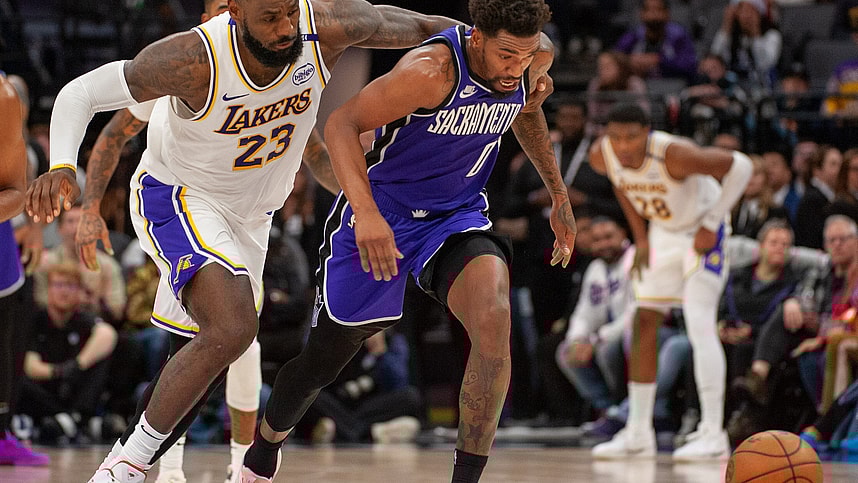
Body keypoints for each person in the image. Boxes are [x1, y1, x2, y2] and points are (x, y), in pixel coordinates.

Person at [25, 1, 465, 481]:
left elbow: (425, 27)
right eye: (269, 18)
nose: (284, 29)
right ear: (234, 12)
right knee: (232, 328)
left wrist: (498, 54)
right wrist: (63, 166)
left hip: (254, 217)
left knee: (221, 345)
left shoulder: (325, 29)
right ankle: (127, 467)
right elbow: (81, 92)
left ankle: (183, 461)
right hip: (178, 195)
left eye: (289, 14)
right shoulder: (193, 58)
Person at [241, 1, 574, 482]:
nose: (515, 68)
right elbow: (340, 126)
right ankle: (265, 445)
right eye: (506, 56)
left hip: (455, 217)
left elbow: (524, 111)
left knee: (494, 316)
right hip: (384, 212)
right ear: (476, 37)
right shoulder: (430, 70)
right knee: (327, 358)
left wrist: (558, 194)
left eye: (524, 58)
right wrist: (368, 216)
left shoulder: (531, 58)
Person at [588, 103, 753, 460]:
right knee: (644, 319)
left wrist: (713, 222)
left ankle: (713, 433)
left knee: (699, 321)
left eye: (632, 137)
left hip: (702, 230)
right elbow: (622, 186)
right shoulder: (602, 155)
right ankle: (638, 431)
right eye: (615, 137)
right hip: (664, 232)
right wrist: (642, 239)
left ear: (647, 132)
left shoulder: (675, 154)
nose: (624, 145)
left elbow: (742, 166)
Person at [0, 72, 49, 466]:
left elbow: (25, 186)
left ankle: (3, 430)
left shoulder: (4, 99)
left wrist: (33, 231)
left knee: (10, 340)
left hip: (7, 237)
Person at [19, 262, 118, 443]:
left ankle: (74, 418)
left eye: (70, 286)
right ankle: (73, 419)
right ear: (48, 289)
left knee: (106, 355)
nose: (64, 292)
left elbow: (107, 334)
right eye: (58, 285)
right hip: (45, 388)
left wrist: (78, 365)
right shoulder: (36, 320)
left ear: (79, 292)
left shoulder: (81, 319)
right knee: (19, 377)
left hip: (75, 385)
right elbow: (31, 367)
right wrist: (60, 371)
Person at [613, 0, 697, 82]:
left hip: (672, 87)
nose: (653, 14)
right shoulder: (633, 36)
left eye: (658, 9)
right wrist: (629, 61)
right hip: (639, 89)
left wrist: (659, 60)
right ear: (641, 13)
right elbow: (615, 59)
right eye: (649, 10)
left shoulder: (679, 36)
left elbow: (690, 67)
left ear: (667, 13)